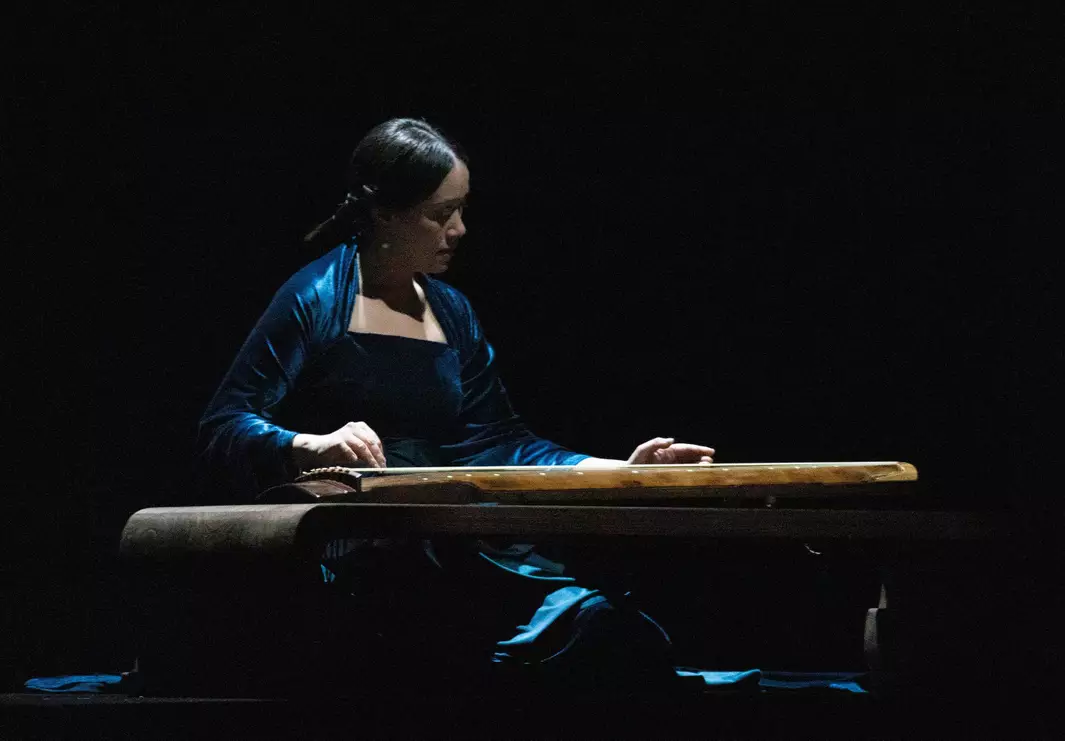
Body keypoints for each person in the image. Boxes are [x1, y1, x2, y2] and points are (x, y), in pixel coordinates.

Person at [195, 117, 716, 693]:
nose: (459, 229)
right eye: (441, 213)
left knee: (605, 629)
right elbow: (223, 424)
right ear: (385, 212)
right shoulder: (316, 298)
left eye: (461, 209)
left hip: (444, 536)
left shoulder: (450, 311)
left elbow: (499, 441)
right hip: (356, 549)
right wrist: (308, 445)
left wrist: (622, 471)